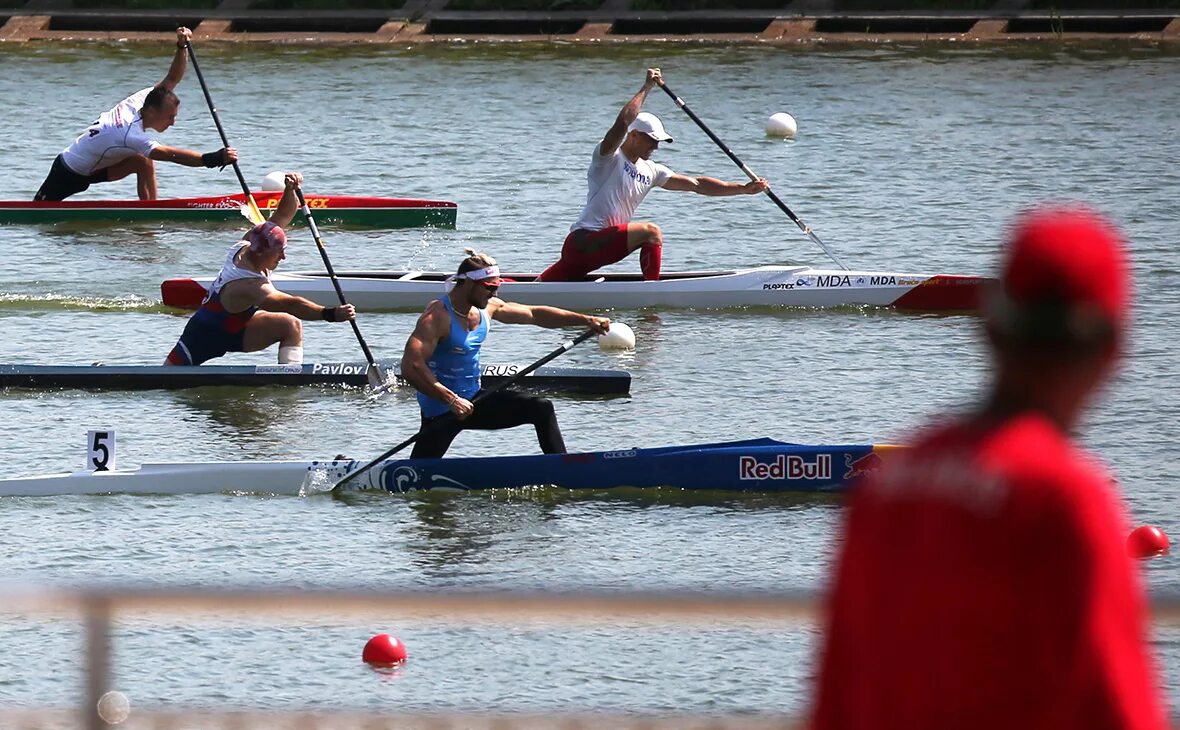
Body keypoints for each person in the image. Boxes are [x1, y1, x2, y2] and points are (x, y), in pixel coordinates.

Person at [809, 206, 1166, 730]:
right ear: (1111, 351)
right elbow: (1119, 710)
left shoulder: (891, 482)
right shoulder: (1063, 493)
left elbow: (835, 697)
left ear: (991, 330)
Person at [535, 67, 769, 283]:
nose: (656, 147)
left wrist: (744, 189)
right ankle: (652, 289)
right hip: (584, 243)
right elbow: (623, 121)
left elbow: (697, 185)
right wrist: (647, 87)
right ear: (634, 135)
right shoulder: (608, 157)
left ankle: (504, 288)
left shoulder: (652, 170)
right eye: (652, 140)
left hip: (598, 250)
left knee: (535, 289)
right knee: (651, 232)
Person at [401, 249, 611, 458]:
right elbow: (412, 366)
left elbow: (534, 314)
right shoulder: (437, 316)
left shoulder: (487, 308)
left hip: (475, 400)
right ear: (468, 283)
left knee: (541, 408)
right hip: (442, 408)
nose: (495, 294)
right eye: (490, 287)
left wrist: (585, 320)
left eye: (497, 287)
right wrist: (451, 400)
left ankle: (563, 469)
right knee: (418, 471)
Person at [165, 172, 356, 367]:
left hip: (237, 329)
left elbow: (282, 215)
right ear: (261, 253)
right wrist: (330, 314)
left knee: (290, 325)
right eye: (279, 253)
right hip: (202, 336)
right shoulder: (249, 286)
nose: (283, 257)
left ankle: (289, 379)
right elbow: (291, 304)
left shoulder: (249, 243)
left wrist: (290, 190)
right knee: (166, 378)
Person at [34, 27, 237, 202]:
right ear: (151, 111)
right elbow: (170, 155)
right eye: (169, 117)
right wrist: (213, 158)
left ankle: (150, 209)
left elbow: (172, 78)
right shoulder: (129, 134)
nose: (173, 123)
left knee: (142, 161)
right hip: (68, 171)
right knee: (37, 211)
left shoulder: (143, 98)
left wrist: (182, 46)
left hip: (94, 169)